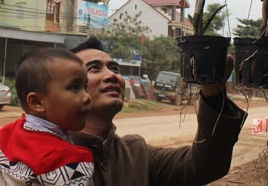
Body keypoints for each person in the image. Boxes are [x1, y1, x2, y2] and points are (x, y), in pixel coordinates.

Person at [68, 36, 247, 186]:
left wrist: (213, 93)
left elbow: (205, 165)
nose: (112, 75)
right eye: (94, 68)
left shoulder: (136, 154)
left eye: (114, 68)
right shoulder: (46, 156)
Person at [0, 48, 94, 186]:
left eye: (85, 87)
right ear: (37, 102)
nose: (87, 97)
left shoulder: (4, 135)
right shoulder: (66, 160)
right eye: (74, 87)